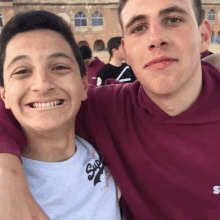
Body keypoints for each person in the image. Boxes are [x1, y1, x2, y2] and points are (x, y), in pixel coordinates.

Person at [0, 0, 220, 219]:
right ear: (126, 51)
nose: (156, 39)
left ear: (203, 35)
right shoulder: (108, 108)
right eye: (139, 28)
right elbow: (23, 99)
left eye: (173, 20)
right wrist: (8, 182)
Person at [0, 10, 121, 220]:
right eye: (22, 71)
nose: (42, 85)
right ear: (4, 95)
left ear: (84, 84)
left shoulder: (103, 138)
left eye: (59, 67)